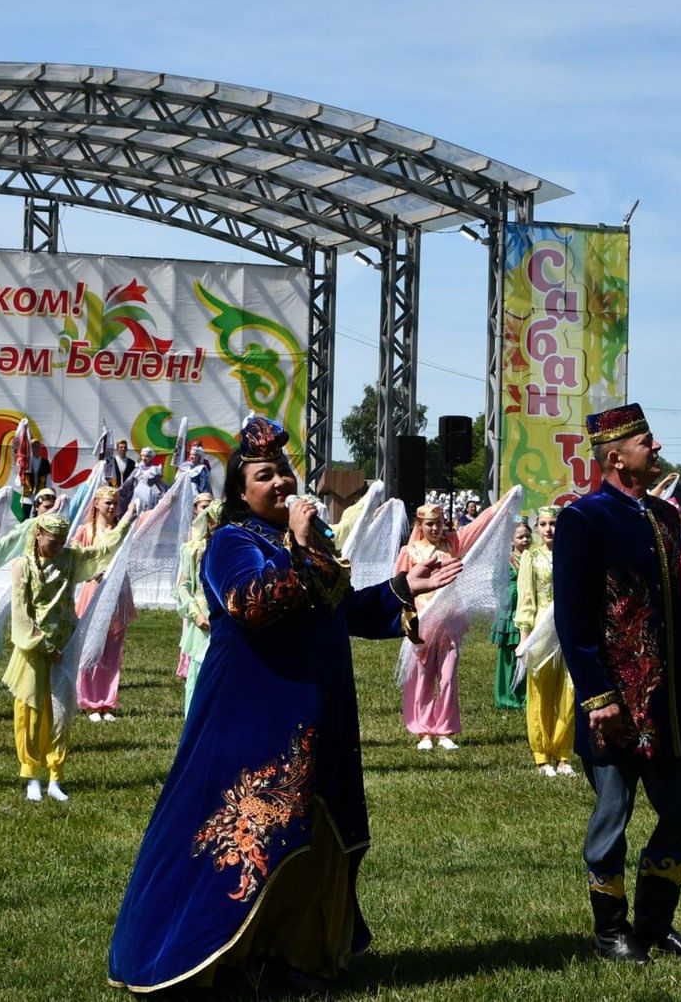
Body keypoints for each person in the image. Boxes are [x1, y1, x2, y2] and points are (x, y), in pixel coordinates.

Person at [106, 416, 459, 992]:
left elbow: (338, 611)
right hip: (252, 717)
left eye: (284, 472)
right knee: (245, 837)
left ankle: (290, 957)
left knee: (311, 836)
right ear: (240, 492)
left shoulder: (312, 542)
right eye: (263, 475)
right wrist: (298, 546)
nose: (278, 483)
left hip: (316, 714)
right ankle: (215, 961)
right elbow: (252, 604)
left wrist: (402, 589)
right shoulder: (229, 542)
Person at [553, 404, 681, 963]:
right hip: (614, 700)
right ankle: (610, 929)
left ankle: (654, 922)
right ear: (616, 456)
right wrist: (596, 695)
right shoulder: (584, 518)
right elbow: (572, 617)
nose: (657, 445)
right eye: (647, 440)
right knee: (612, 814)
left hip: (667, 700)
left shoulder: (666, 517)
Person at [3, 503, 131, 802]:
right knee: (31, 712)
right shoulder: (22, 567)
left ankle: (55, 775)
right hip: (33, 648)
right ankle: (31, 773)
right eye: (53, 541)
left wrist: (127, 521)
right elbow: (21, 613)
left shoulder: (69, 559)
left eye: (62, 541)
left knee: (60, 713)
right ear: (38, 536)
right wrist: (43, 645)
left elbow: (101, 550)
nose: (58, 547)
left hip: (64, 646)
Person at [396, 501, 500, 750]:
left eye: (439, 523)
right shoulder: (409, 552)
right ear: (420, 525)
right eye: (430, 524)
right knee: (422, 677)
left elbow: (477, 528)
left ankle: (443, 729)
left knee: (448, 676)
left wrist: (498, 507)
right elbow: (399, 588)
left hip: (450, 620)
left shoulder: (452, 543)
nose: (435, 528)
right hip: (423, 620)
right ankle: (423, 731)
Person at [518, 508, 572, 774]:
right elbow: (526, 599)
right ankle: (542, 755)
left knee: (570, 693)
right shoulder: (531, 556)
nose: (549, 529)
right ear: (537, 528)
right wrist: (524, 638)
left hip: (569, 628)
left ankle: (563, 754)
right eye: (544, 524)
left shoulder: (571, 554)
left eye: (553, 523)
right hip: (541, 629)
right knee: (540, 692)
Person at [75, 486, 136, 722]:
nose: (111, 507)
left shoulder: (123, 530)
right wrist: (92, 573)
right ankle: (89, 700)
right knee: (92, 645)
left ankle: (106, 700)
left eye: (114, 503)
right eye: (107, 503)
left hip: (118, 589)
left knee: (113, 647)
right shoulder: (86, 531)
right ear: (97, 504)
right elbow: (77, 560)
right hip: (95, 589)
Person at [173, 492, 220, 714]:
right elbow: (183, 586)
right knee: (200, 672)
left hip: (229, 619)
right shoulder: (194, 549)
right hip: (204, 619)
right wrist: (196, 614)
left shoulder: (236, 549)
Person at [493, 521, 532, 712]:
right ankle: (506, 697)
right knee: (509, 656)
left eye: (527, 536)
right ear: (511, 539)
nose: (525, 540)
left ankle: (526, 696)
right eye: (520, 537)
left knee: (528, 655)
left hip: (530, 611)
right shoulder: (505, 561)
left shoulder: (534, 557)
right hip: (511, 613)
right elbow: (497, 584)